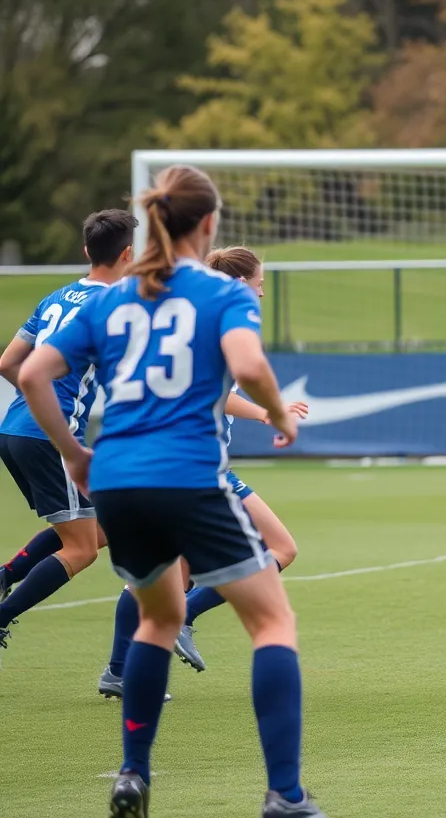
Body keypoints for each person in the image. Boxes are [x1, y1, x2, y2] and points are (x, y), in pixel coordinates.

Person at [17, 164, 325, 818]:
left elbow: (32, 373)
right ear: (208, 223)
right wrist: (275, 414)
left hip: (119, 482)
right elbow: (247, 364)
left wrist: (74, 452)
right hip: (187, 475)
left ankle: (133, 774)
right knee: (272, 620)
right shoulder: (221, 293)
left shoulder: (108, 298)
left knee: (158, 617)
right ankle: (286, 795)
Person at [99, 246, 308, 692]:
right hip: (195, 466)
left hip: (149, 462)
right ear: (239, 285)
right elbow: (234, 381)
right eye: (259, 285)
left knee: (162, 569)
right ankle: (182, 620)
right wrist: (270, 412)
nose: (262, 295)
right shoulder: (223, 320)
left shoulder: (184, 315)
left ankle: (120, 670)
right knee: (281, 549)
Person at [0, 210, 135, 641]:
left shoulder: (56, 297)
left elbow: (8, 363)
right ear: (128, 254)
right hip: (50, 438)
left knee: (102, 526)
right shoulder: (112, 309)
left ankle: (5, 575)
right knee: (81, 547)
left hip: (14, 430)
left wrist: (34, 398)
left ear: (86, 251)